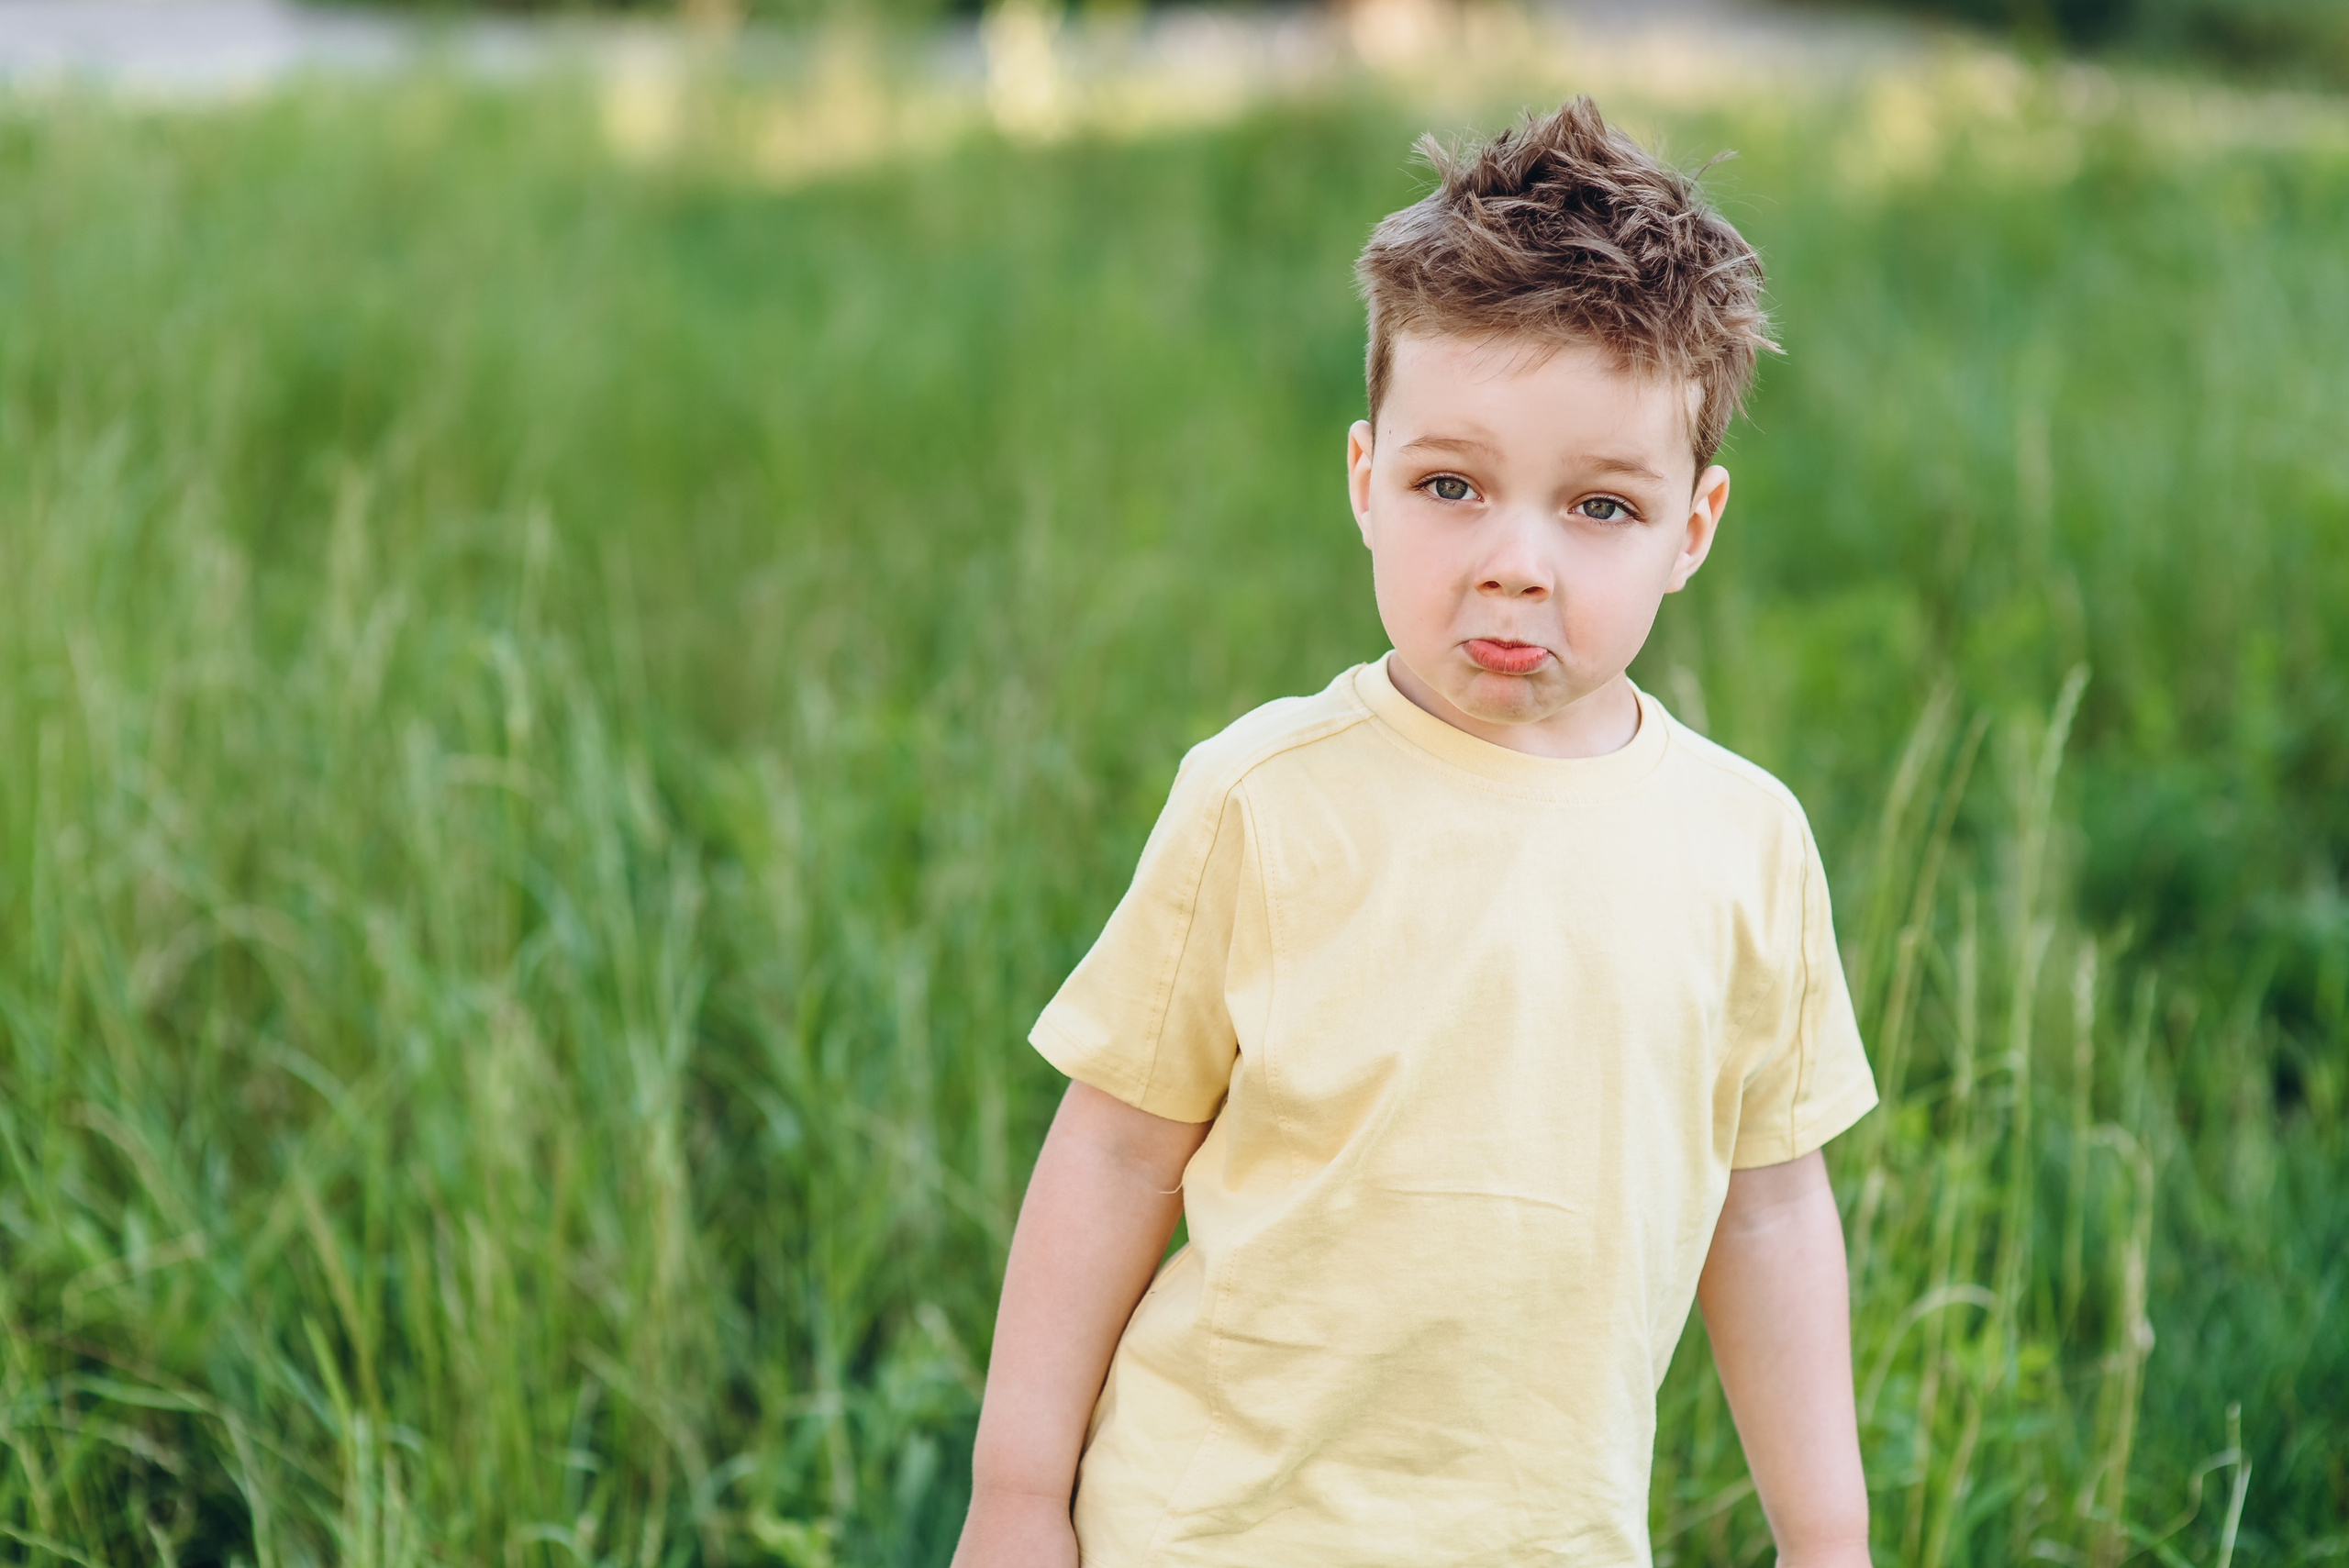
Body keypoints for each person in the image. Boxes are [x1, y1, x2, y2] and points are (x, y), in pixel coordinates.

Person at [952, 96, 1877, 1567]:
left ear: (1692, 528)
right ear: (1365, 480)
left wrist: (1828, 1539)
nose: (1516, 565)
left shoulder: (1742, 846)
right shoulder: (1265, 800)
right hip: (1212, 1525)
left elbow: (1764, 1214)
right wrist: (1016, 1496)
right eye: (1454, 487)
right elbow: (1118, 1153)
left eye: (1598, 506)